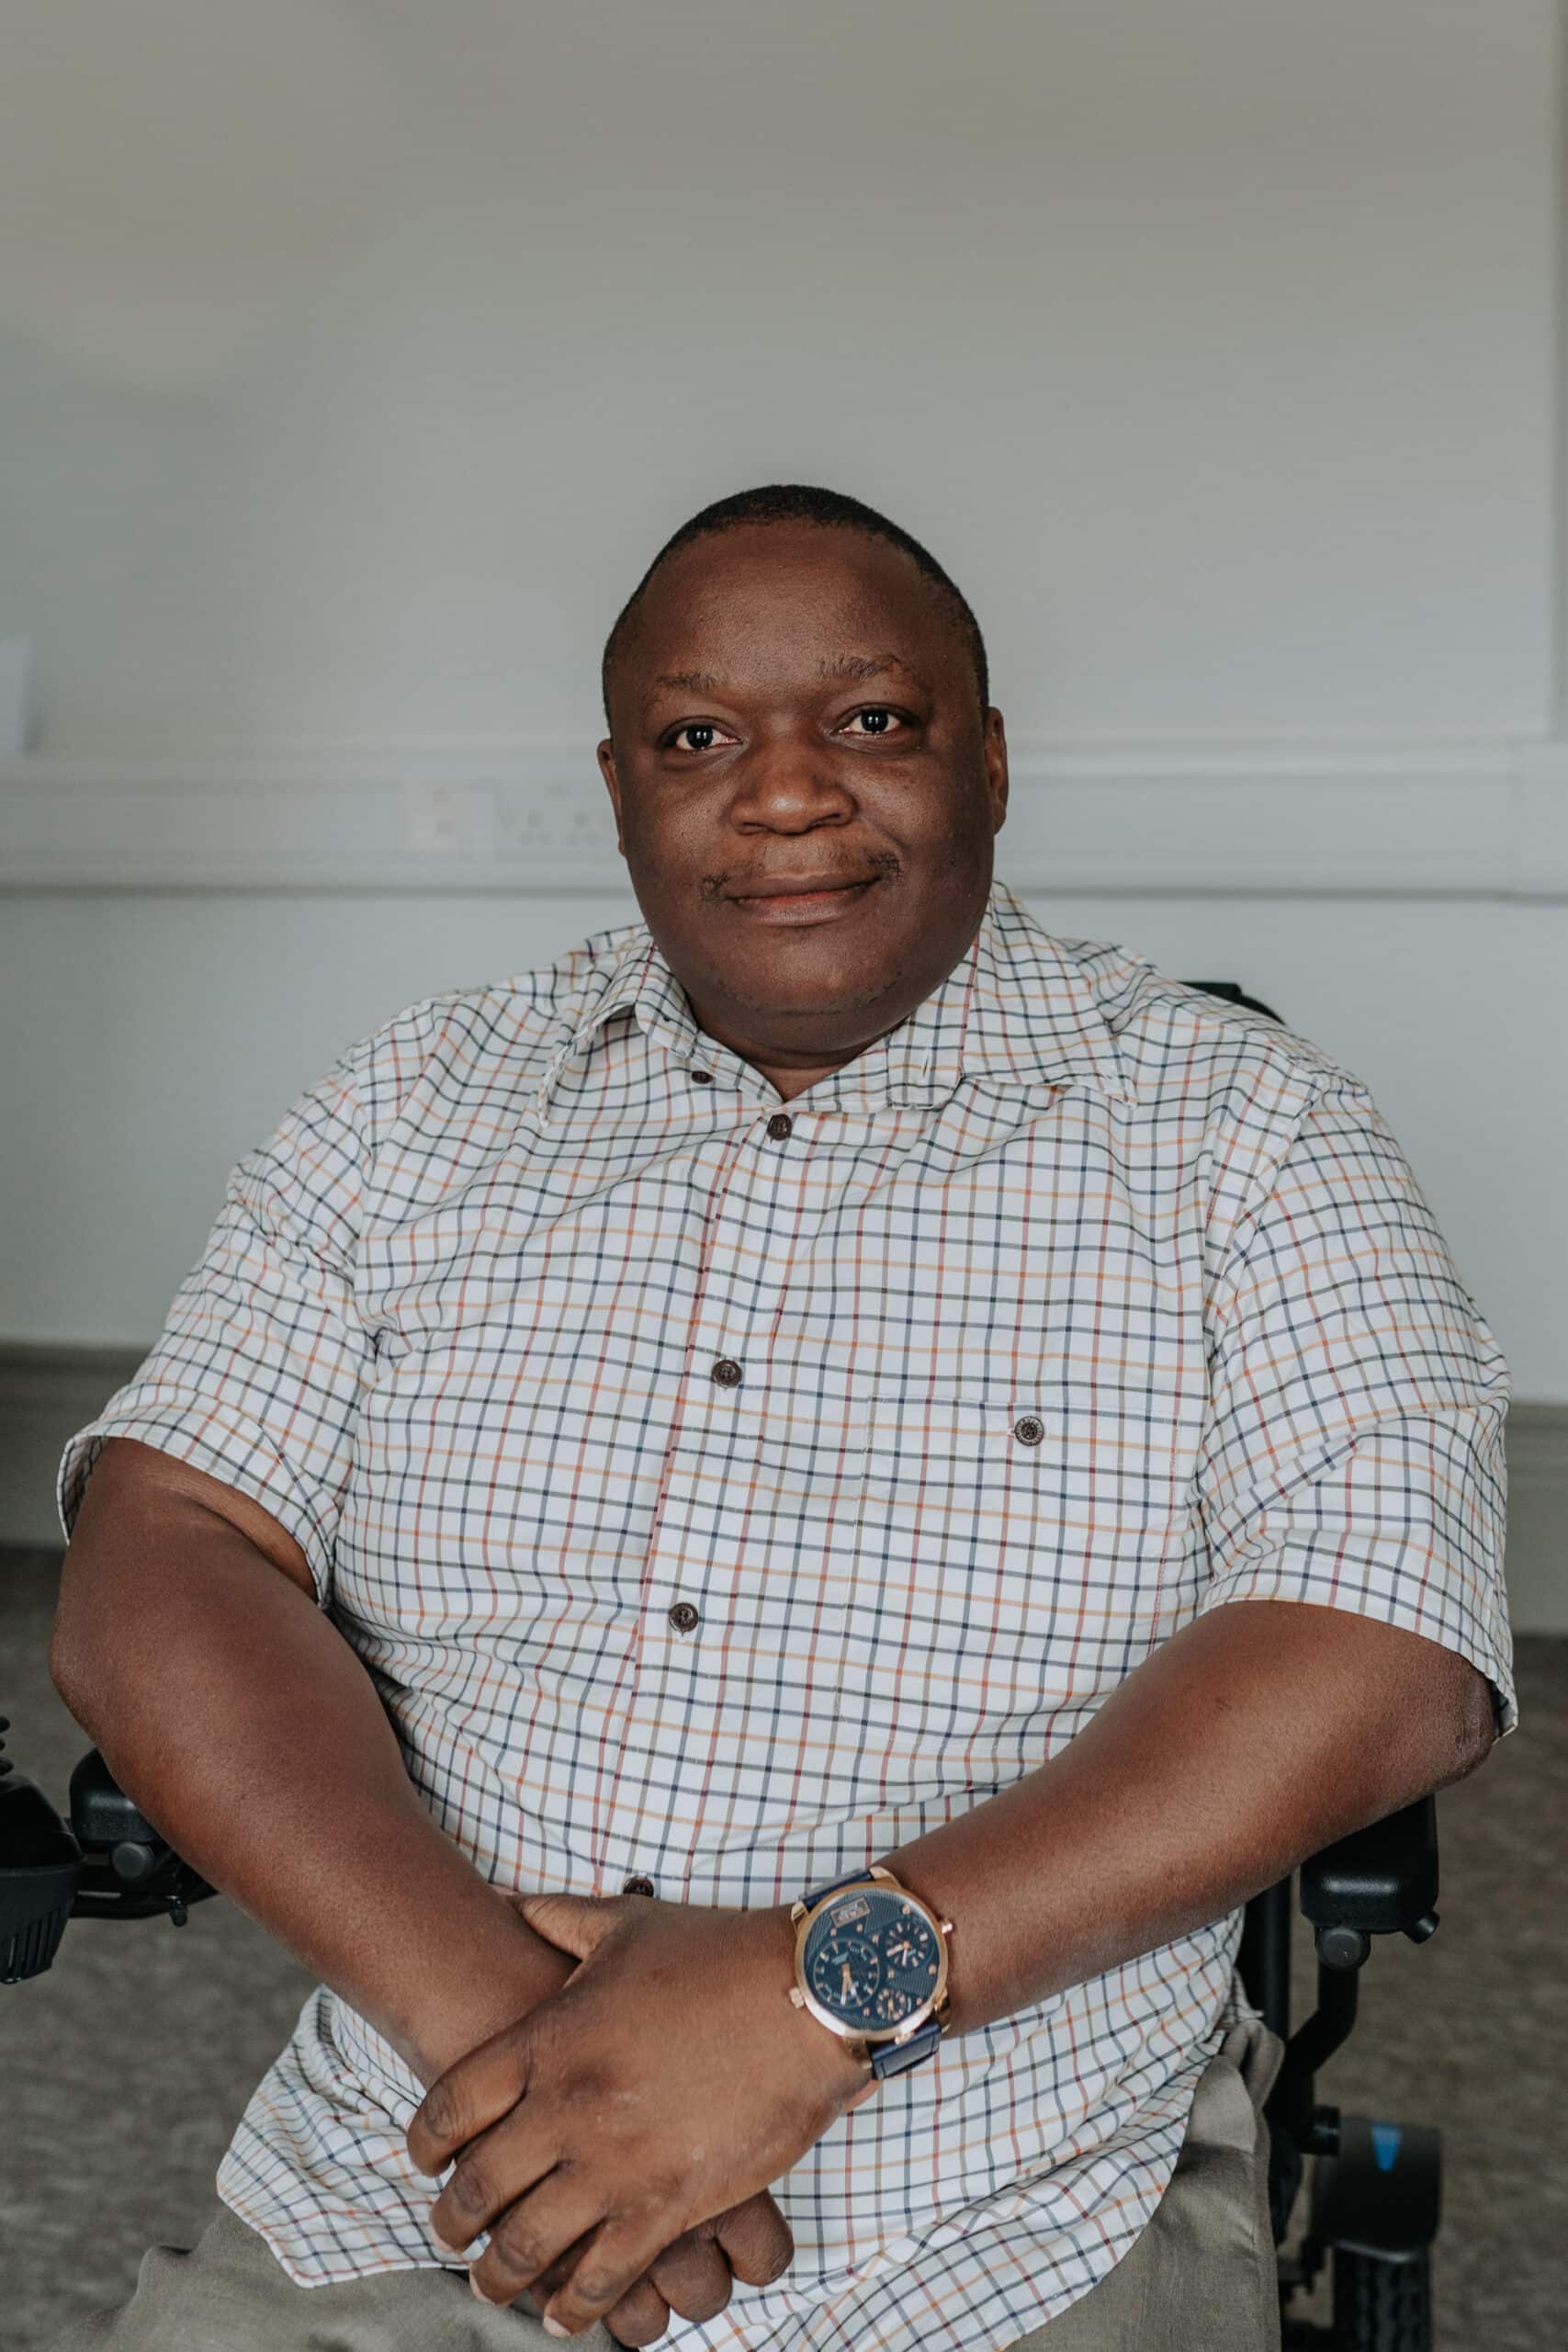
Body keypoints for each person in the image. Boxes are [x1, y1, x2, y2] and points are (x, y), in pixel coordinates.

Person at [46, 485, 1514, 2352]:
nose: (785, 790)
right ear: (619, 784)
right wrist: (527, 2048)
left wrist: (810, 2000)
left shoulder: (1247, 1133)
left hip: (992, 2215)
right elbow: (167, 1545)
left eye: (871, 721)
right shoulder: (408, 1106)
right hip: (412, 2180)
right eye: (697, 735)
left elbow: (1384, 1645)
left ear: (986, 760)